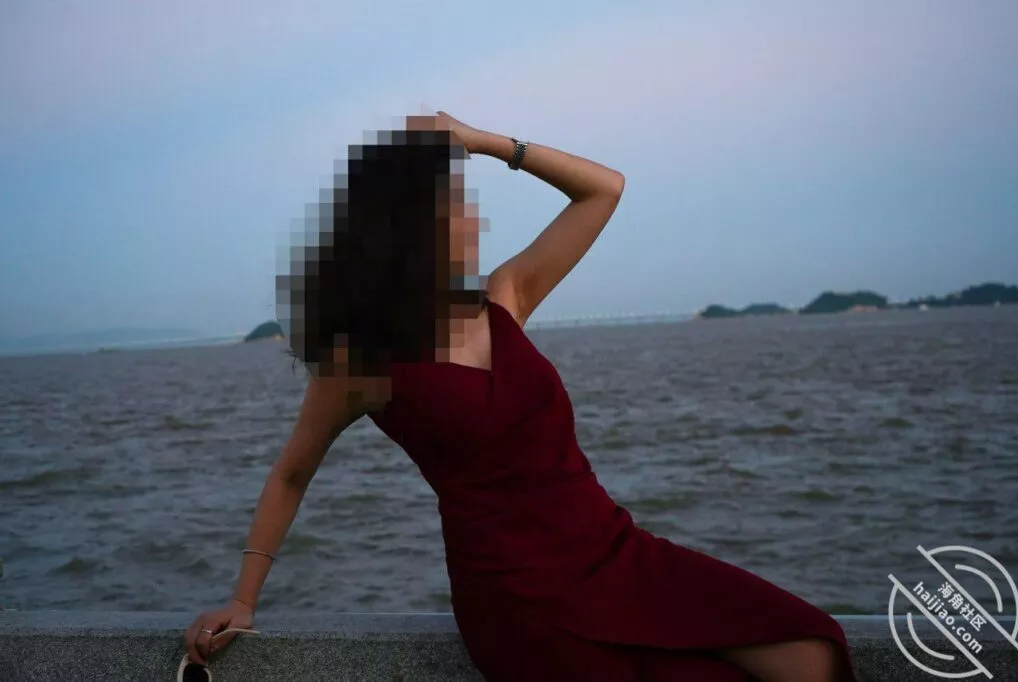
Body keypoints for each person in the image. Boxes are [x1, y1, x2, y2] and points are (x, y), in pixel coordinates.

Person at [183, 112, 858, 681]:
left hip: (615, 552)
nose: (469, 219)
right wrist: (244, 600)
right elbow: (291, 473)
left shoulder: (505, 298)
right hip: (516, 598)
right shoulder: (361, 359)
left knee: (811, 651)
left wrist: (485, 142)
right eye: (451, 207)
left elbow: (604, 190)